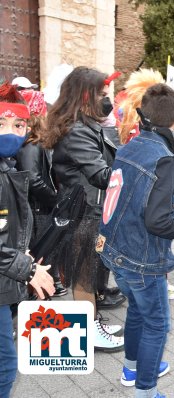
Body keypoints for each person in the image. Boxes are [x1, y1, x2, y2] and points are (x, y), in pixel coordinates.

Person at [97, 83, 174, 398]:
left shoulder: (131, 145)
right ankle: (145, 391)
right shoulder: (163, 156)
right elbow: (157, 222)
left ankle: (132, 369)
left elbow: (136, 197)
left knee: (137, 310)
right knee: (157, 325)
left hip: (115, 248)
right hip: (141, 257)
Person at [45, 66, 124, 352]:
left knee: (88, 273)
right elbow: (103, 175)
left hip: (90, 210)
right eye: (102, 94)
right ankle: (88, 333)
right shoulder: (78, 131)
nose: (107, 99)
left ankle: (92, 321)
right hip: (82, 213)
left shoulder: (87, 125)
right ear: (85, 96)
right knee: (83, 278)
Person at [0, 82, 56, 398]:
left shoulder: (6, 166)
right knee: (5, 367)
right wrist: (29, 269)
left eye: (18, 124)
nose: (11, 132)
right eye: (1, 123)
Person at [14, 89, 66, 297]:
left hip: (37, 209)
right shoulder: (32, 145)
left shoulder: (31, 143)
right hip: (38, 211)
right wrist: (55, 199)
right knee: (42, 258)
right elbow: (33, 179)